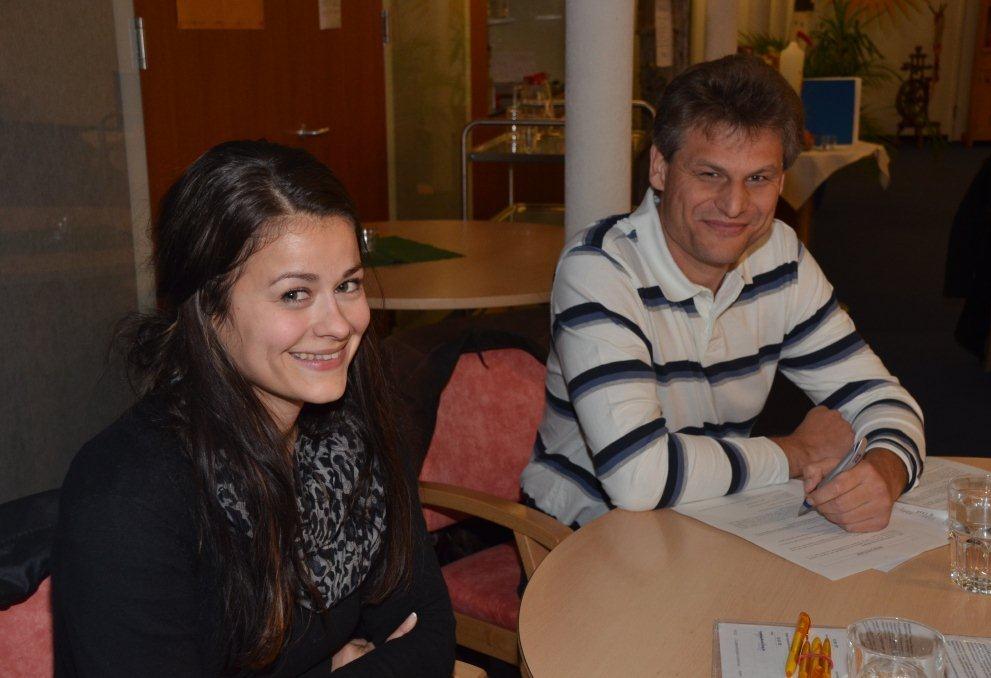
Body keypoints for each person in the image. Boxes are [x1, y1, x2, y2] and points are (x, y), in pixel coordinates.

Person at [53, 140, 456, 676]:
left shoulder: (352, 434)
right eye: (294, 294)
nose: (339, 324)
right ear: (208, 308)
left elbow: (429, 638)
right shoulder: (128, 497)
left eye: (348, 285)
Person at [521, 55, 925, 532]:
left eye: (758, 178)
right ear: (660, 168)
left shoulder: (779, 257)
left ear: (781, 181)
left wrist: (885, 472)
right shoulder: (600, 270)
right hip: (580, 538)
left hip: (709, 518)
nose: (734, 205)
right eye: (709, 174)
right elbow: (637, 477)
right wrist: (797, 452)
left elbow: (881, 397)